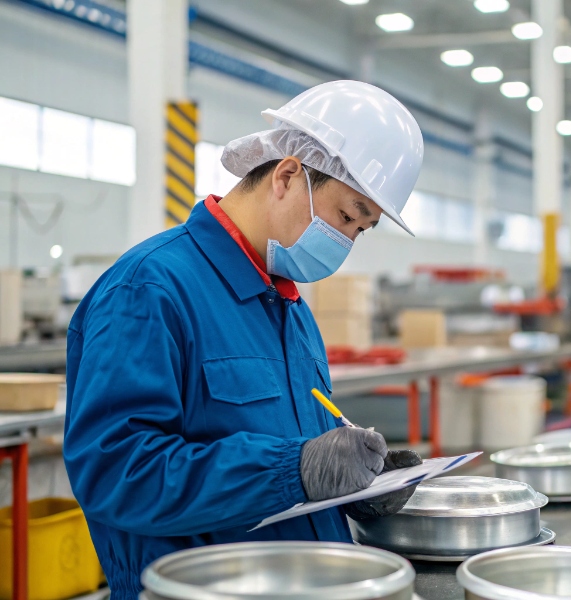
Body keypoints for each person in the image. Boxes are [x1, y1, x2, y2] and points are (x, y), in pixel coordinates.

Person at [63, 81, 425, 599]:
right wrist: (292, 470)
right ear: (287, 176)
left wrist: (357, 484)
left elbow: (302, 447)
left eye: (361, 229)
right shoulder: (149, 290)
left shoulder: (290, 309)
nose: (346, 241)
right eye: (347, 216)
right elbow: (117, 474)